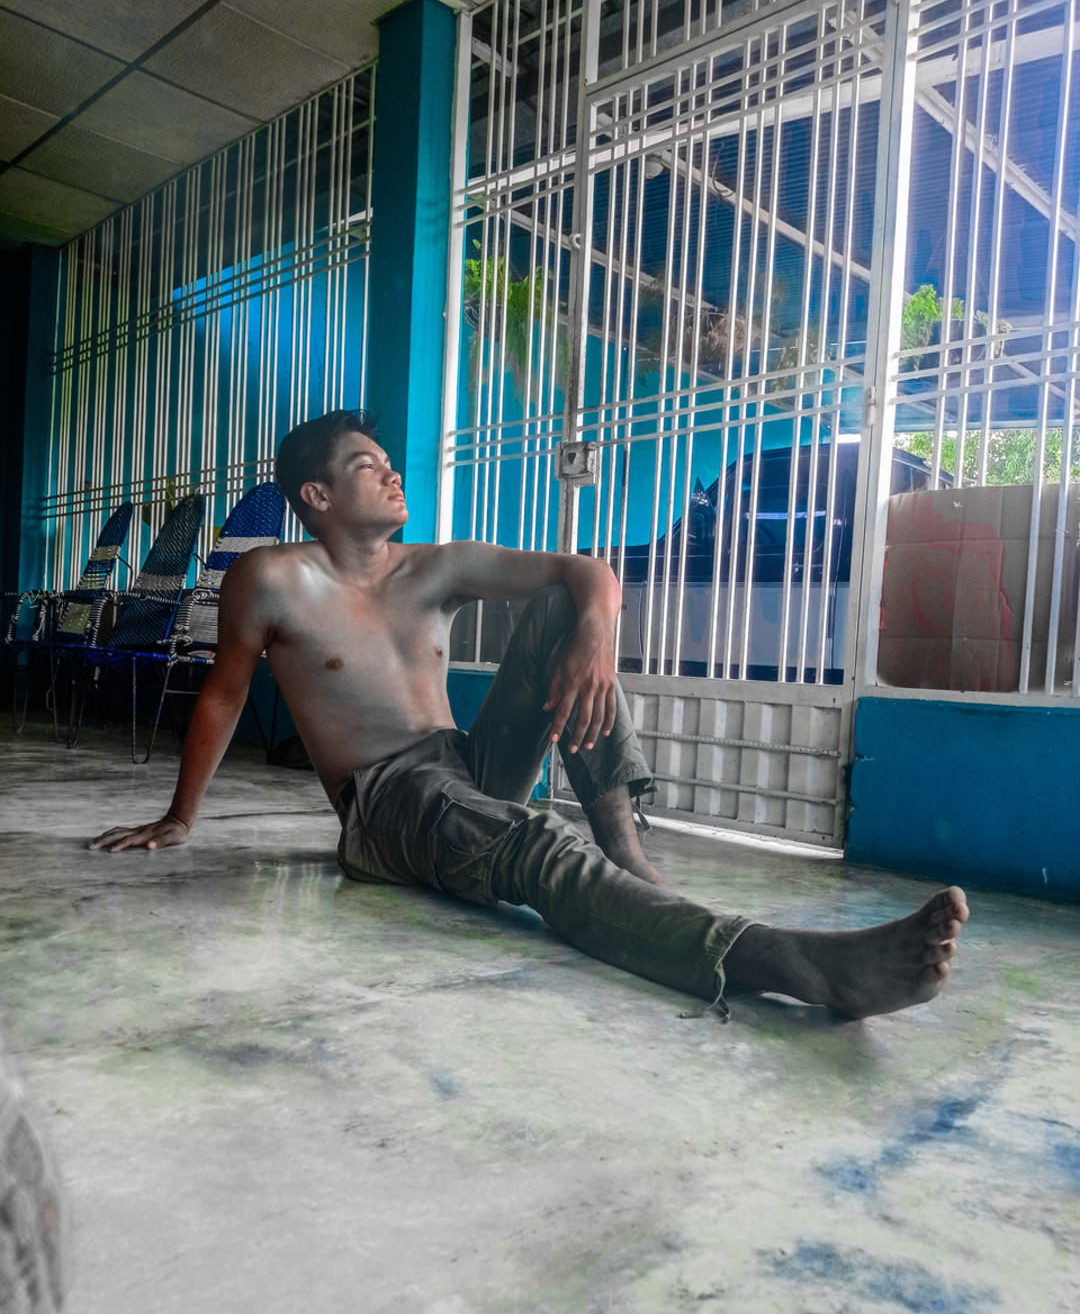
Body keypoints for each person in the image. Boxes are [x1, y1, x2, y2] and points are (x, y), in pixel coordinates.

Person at [91, 410, 968, 1020]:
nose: (391, 473)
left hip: (467, 766)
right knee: (541, 845)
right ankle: (791, 962)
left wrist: (593, 637)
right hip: (385, 803)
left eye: (389, 461)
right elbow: (225, 694)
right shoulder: (272, 580)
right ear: (317, 497)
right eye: (366, 466)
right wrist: (180, 817)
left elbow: (586, 574)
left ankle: (628, 852)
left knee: (562, 609)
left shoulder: (433, 567)